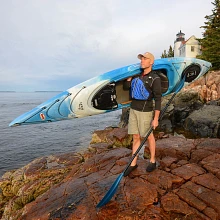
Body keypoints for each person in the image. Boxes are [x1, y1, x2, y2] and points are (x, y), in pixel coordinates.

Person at [123, 52, 162, 176]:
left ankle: (152, 160)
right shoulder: (136, 76)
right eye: (141, 59)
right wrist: (129, 78)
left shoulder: (155, 78)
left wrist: (156, 119)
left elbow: (158, 99)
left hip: (146, 111)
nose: (142, 61)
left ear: (151, 62)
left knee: (148, 136)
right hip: (133, 109)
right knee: (135, 136)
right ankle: (133, 163)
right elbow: (126, 87)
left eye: (145, 59)